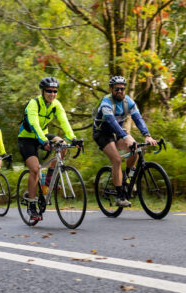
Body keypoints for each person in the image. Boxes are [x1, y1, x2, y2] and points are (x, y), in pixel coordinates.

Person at [18, 77, 80, 221]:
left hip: (43, 135)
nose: (52, 94)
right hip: (27, 138)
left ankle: (49, 180)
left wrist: (74, 138)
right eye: (49, 91)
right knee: (34, 169)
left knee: (63, 144)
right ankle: (32, 205)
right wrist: (43, 141)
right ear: (43, 91)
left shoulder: (56, 105)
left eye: (54, 91)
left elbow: (64, 121)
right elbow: (34, 124)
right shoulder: (34, 104)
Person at [93, 76, 157, 207]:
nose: (120, 91)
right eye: (117, 89)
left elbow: (138, 118)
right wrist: (125, 136)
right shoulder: (106, 103)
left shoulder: (128, 101)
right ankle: (120, 196)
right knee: (116, 160)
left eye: (123, 88)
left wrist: (147, 135)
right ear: (111, 89)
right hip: (102, 134)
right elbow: (111, 122)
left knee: (135, 150)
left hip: (117, 132)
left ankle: (126, 178)